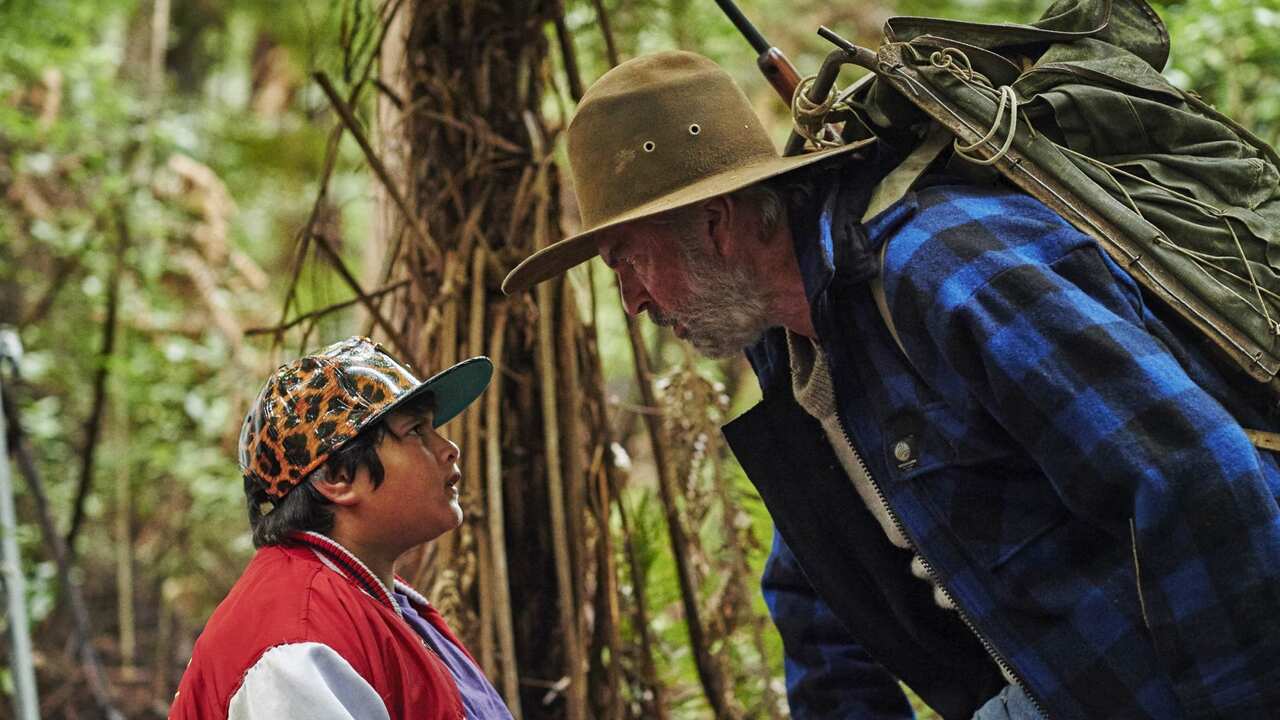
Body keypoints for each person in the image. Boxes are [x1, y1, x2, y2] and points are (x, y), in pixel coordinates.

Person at [501, 50, 1280, 719]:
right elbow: (821, 601)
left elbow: (1194, 474)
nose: (633, 302)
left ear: (716, 224)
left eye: (630, 261)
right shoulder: (794, 351)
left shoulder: (944, 270)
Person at [170, 337, 512, 720]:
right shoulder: (295, 646)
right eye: (416, 430)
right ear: (337, 477)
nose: (449, 448)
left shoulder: (374, 601)